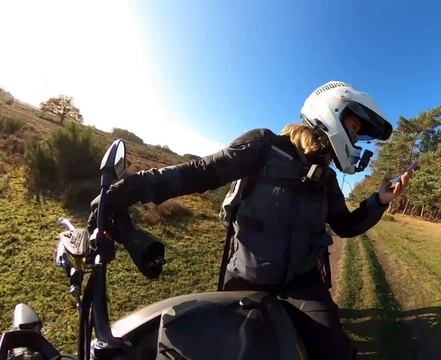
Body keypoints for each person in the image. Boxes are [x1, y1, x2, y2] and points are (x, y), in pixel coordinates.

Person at [94, 81, 412, 359]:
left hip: (302, 283)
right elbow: (201, 172)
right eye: (354, 128)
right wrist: (128, 190)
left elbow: (345, 225)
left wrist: (378, 202)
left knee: (334, 350)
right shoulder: (263, 146)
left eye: (357, 133)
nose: (354, 138)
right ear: (331, 111)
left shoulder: (326, 178)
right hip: (247, 276)